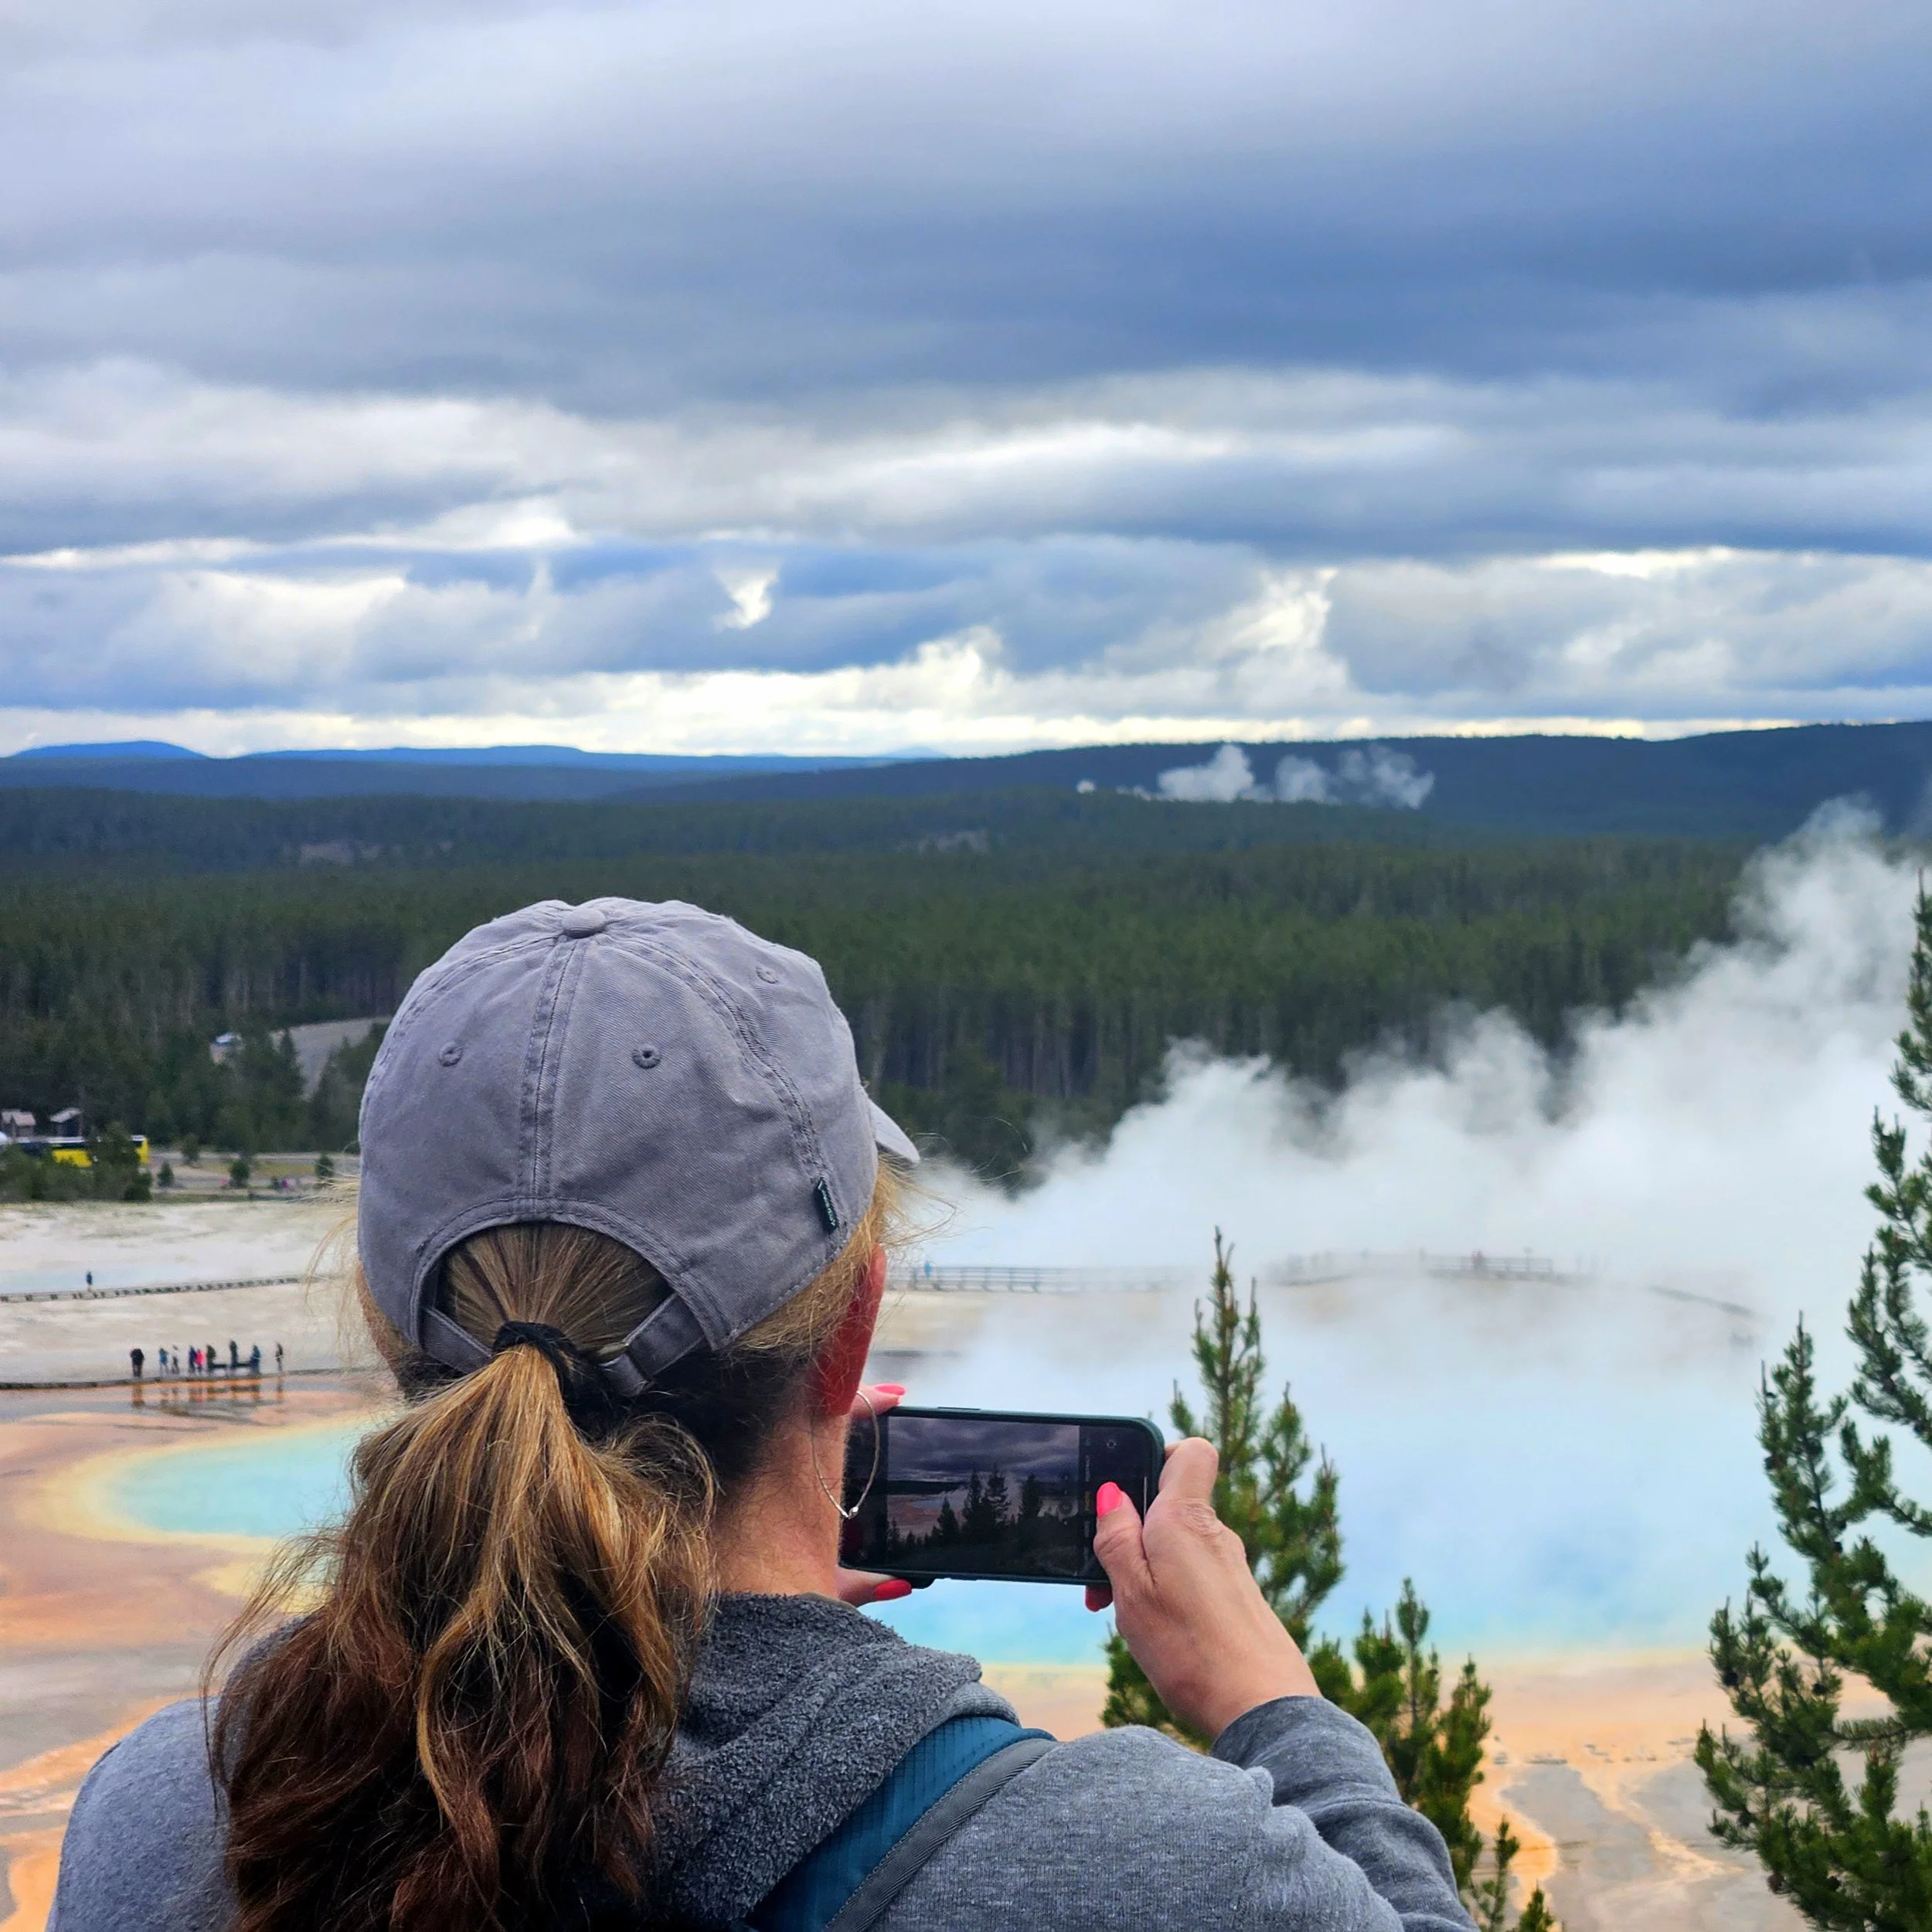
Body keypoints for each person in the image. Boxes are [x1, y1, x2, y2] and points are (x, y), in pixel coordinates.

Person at [49, 899, 1473, 1932]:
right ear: (847, 1335)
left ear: (388, 1330)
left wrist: (681, 1601)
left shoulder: (174, 1815)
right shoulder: (1157, 1880)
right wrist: (1275, 1710)